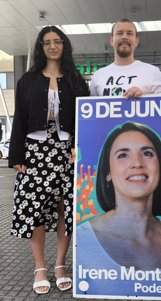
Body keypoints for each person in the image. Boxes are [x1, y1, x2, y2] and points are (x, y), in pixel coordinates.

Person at [8, 26, 90, 294]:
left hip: (68, 152)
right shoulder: (27, 80)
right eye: (47, 42)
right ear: (40, 47)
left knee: (67, 208)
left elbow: (86, 119)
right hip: (34, 151)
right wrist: (16, 154)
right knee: (35, 209)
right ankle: (40, 266)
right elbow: (19, 118)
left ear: (64, 45)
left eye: (57, 42)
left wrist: (82, 146)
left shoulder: (76, 81)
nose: (52, 46)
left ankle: (60, 264)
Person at [76, 121, 161, 296]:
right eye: (123, 155)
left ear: (160, 166)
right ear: (107, 173)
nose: (137, 163)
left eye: (147, 153)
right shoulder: (82, 240)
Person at [90, 18, 161, 98]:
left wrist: (144, 97)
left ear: (136, 41)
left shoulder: (153, 72)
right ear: (111, 40)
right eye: (119, 33)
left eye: (129, 33)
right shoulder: (98, 76)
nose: (124, 37)